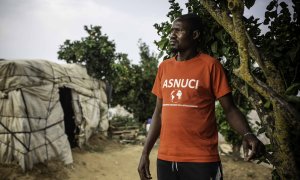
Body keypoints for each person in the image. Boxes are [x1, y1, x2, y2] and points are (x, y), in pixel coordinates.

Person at [138, 14, 265, 180]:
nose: (172, 35)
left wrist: (248, 134)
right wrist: (145, 152)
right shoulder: (164, 68)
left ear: (195, 35)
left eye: (178, 31)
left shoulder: (210, 65)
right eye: (171, 31)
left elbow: (230, 109)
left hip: (201, 160)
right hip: (166, 159)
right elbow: (159, 112)